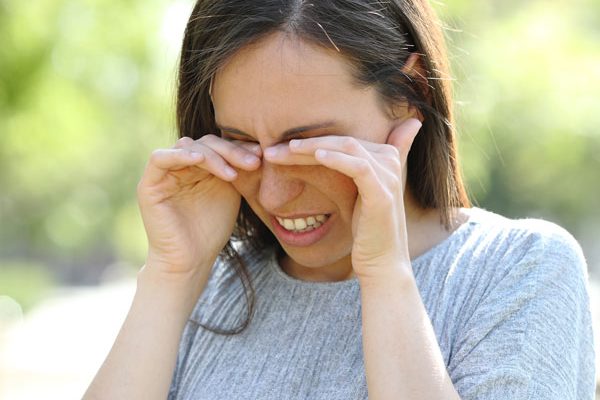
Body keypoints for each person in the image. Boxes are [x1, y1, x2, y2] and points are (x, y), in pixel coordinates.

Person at [83, 0, 596, 399]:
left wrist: (384, 274)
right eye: (241, 142)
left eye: (309, 145)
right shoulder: (212, 287)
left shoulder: (520, 270)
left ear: (408, 91)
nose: (274, 192)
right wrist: (173, 275)